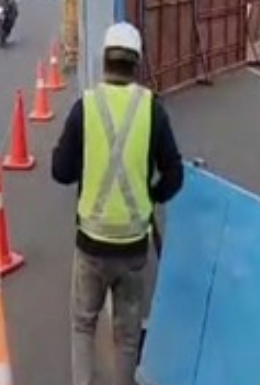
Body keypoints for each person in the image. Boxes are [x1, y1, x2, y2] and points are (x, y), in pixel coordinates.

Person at [52, 22, 184, 385]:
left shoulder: (86, 107)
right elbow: (175, 174)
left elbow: (60, 172)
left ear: (104, 59)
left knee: (83, 325)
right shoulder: (152, 109)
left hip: (91, 244)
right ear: (136, 62)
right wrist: (150, 198)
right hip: (133, 249)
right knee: (127, 338)